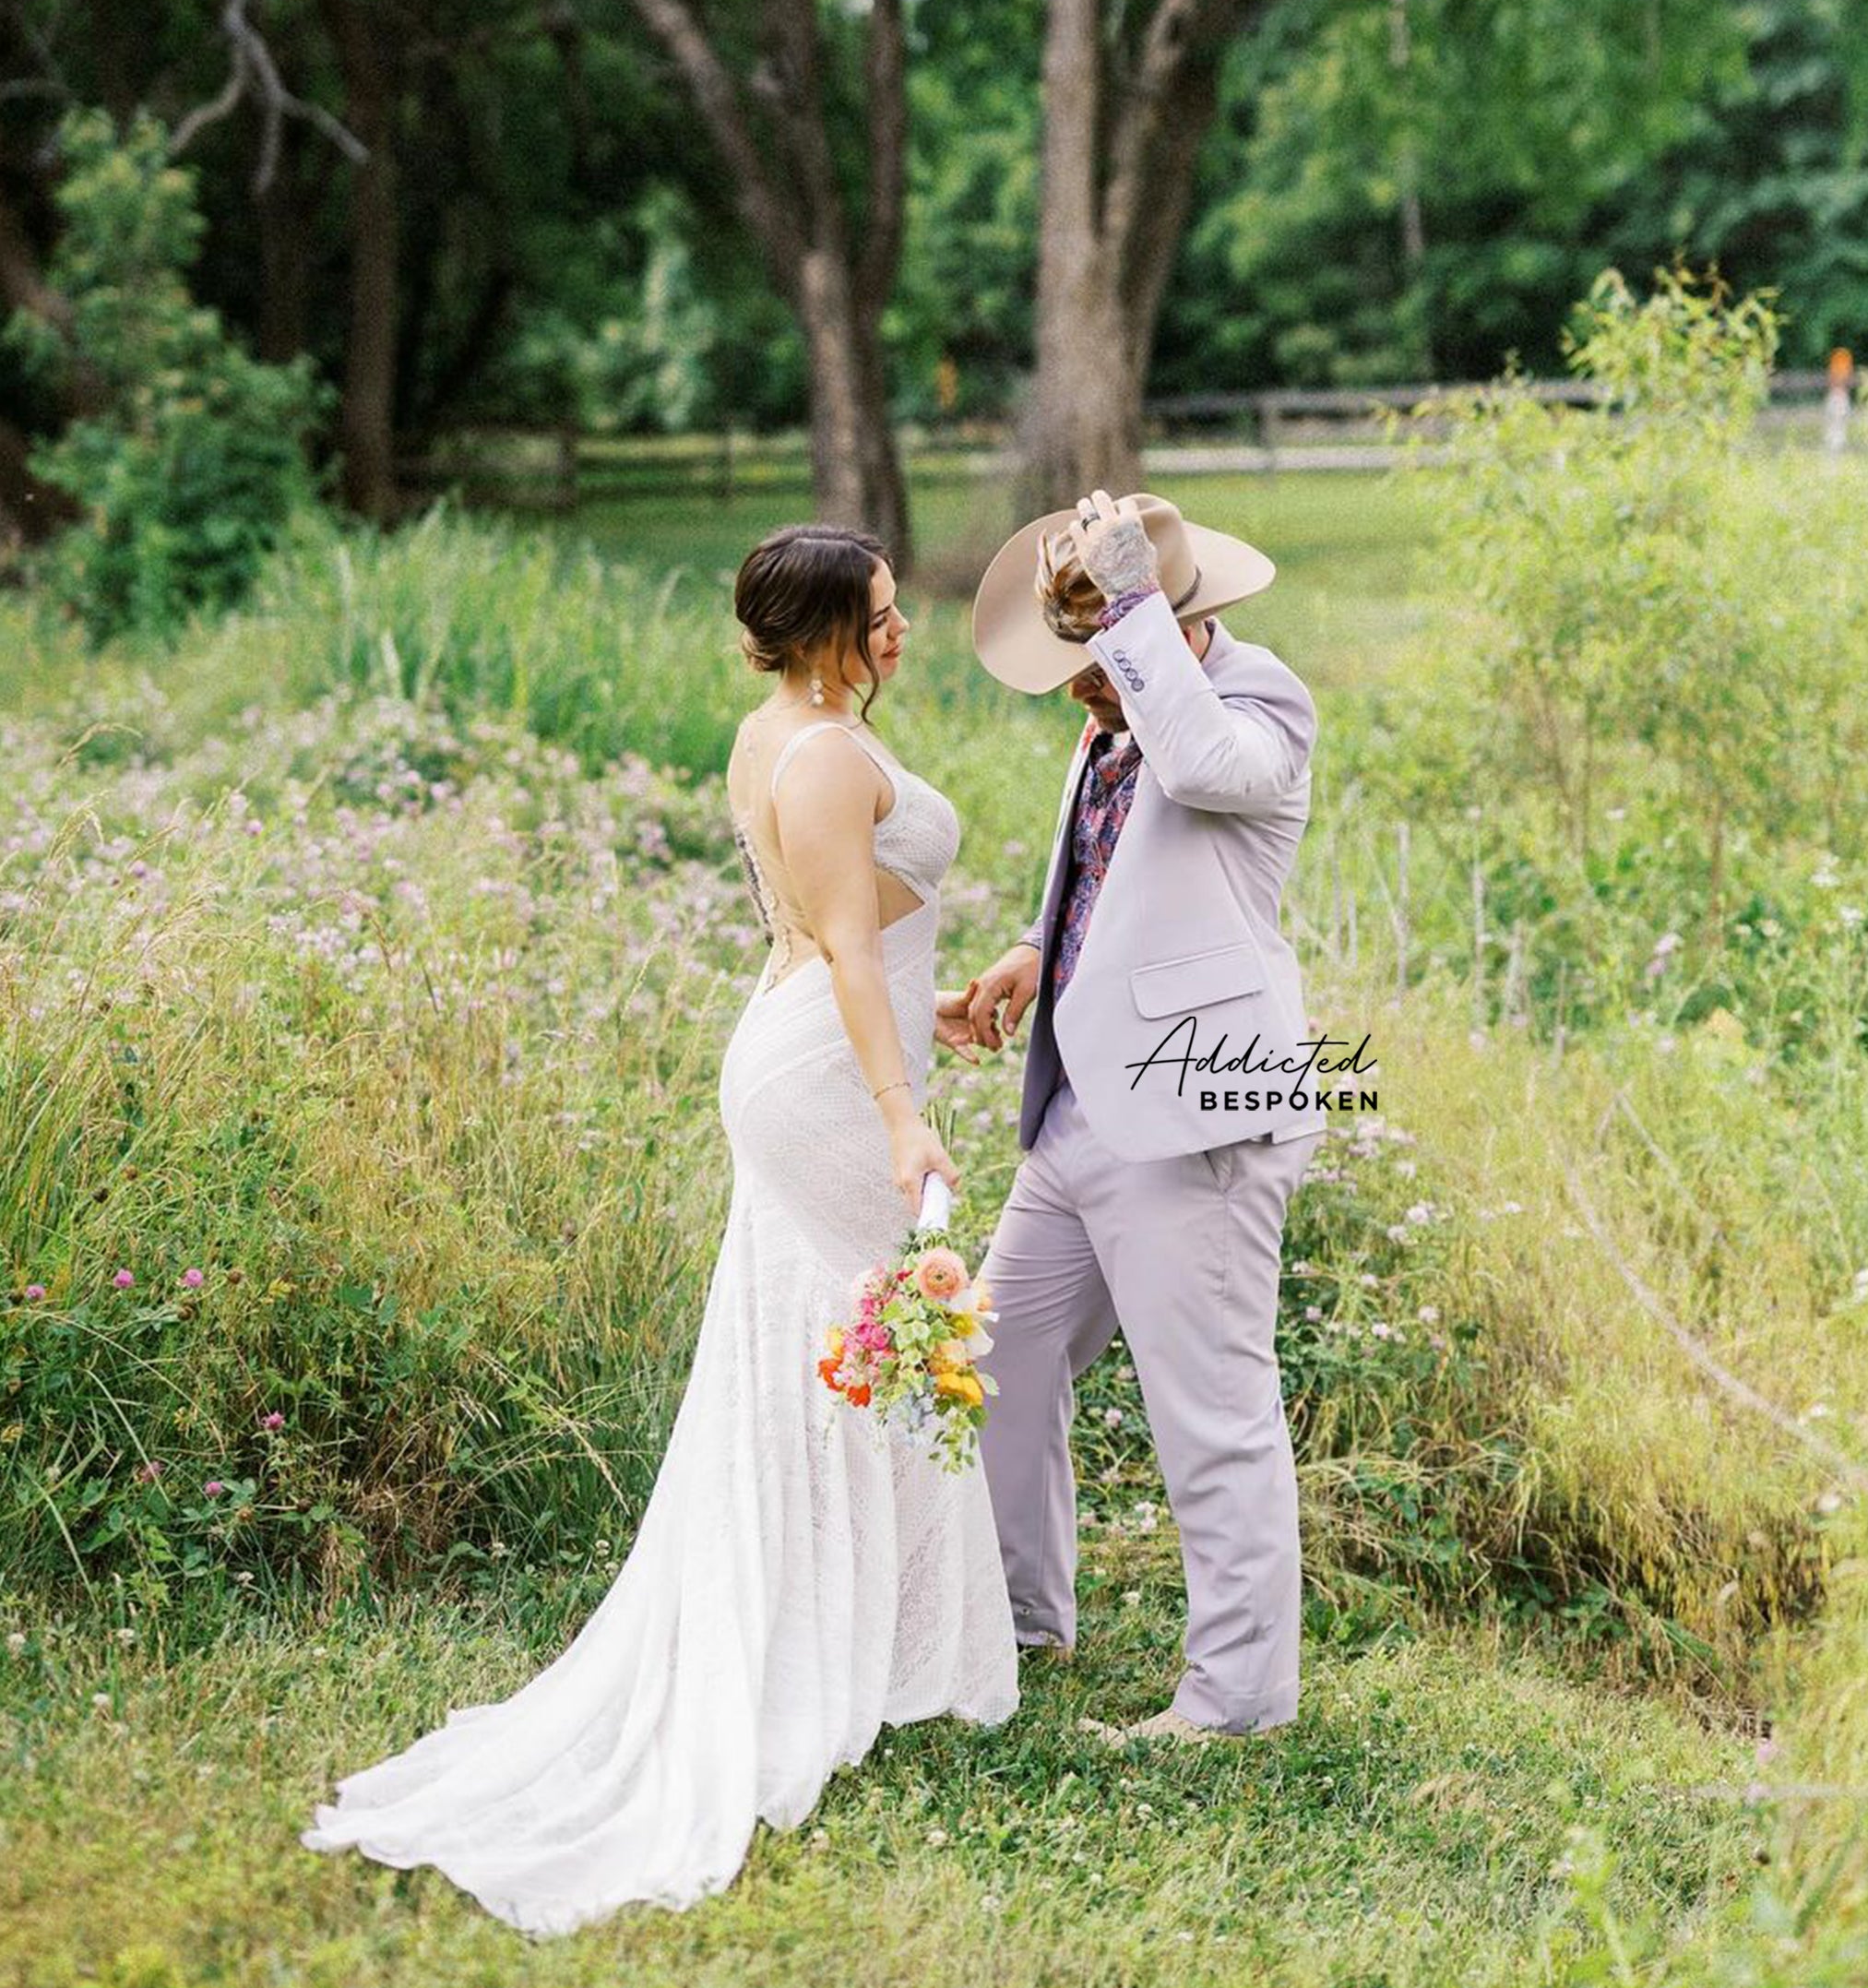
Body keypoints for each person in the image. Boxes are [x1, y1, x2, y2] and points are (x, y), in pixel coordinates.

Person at [301, 525, 1016, 1935]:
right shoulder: (815, 753)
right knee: (860, 1337)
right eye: (881, 613)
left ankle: (867, 1637)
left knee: (843, 1340)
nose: (902, 629)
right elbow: (846, 950)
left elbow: (825, 929)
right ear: (826, 630)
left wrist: (918, 1017)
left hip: (824, 1043)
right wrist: (896, 1107)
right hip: (824, 1083)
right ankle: (834, 1645)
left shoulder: (787, 734)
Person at [962, 488, 1325, 1744]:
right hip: (1079, 1110)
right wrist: (1031, 945)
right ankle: (1015, 1621)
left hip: (1198, 1118)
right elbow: (1127, 867)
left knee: (1210, 1412)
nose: (1082, 688)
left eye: (1105, 654)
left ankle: (1235, 1704)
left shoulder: (1256, 704)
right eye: (1078, 658)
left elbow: (1207, 775)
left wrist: (1130, 622)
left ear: (1174, 620)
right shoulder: (1116, 710)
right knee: (993, 1363)